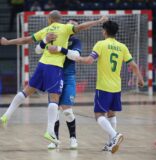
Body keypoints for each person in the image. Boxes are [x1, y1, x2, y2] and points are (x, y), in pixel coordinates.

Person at [0, 10, 107, 145]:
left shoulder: (47, 29)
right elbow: (82, 26)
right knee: (54, 99)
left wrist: (8, 42)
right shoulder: (65, 28)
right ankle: (50, 132)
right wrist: (98, 21)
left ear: (50, 19)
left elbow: (26, 40)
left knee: (26, 91)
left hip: (42, 65)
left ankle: (6, 115)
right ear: (60, 19)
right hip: (54, 67)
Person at [50, 20, 144, 153]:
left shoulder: (101, 44)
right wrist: (140, 79)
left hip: (104, 86)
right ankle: (110, 143)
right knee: (111, 114)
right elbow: (133, 65)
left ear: (105, 31)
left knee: (99, 115)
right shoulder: (122, 47)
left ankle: (115, 135)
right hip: (117, 86)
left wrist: (79, 59)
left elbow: (89, 60)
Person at [35, 19, 82, 149]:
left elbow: (75, 56)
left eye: (75, 24)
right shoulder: (54, 37)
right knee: (54, 109)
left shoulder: (76, 42)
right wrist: (44, 42)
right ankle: (54, 138)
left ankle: (73, 138)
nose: (72, 26)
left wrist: (60, 49)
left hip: (68, 77)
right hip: (54, 74)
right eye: (70, 23)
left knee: (67, 110)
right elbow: (38, 49)